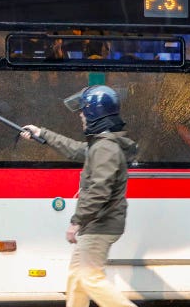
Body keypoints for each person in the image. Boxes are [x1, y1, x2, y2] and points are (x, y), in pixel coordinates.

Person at [20, 85, 137, 307]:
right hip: (96, 224)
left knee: (90, 279)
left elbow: (99, 191)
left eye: (84, 111)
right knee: (77, 279)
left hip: (99, 225)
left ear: (95, 113)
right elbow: (74, 149)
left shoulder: (105, 148)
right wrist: (40, 133)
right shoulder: (101, 145)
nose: (81, 115)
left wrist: (77, 221)